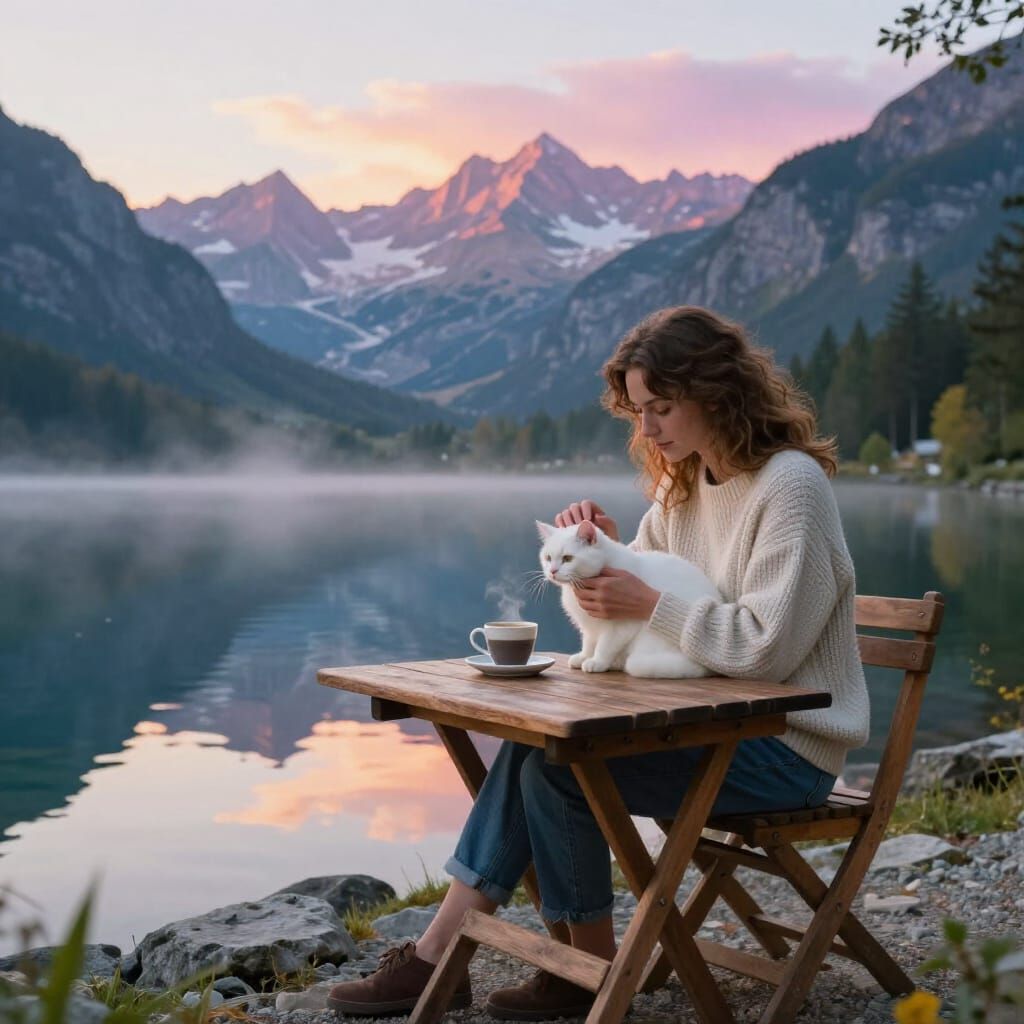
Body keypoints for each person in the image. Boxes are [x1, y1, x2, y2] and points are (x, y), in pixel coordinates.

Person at [327, 305, 870, 1020]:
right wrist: (608, 552)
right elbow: (640, 596)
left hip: (785, 750)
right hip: (716, 729)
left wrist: (647, 598)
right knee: (537, 747)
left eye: (661, 408)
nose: (646, 428)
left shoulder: (790, 487)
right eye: (638, 411)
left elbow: (765, 648)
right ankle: (458, 958)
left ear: (717, 393)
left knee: (561, 768)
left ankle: (570, 968)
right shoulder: (683, 487)